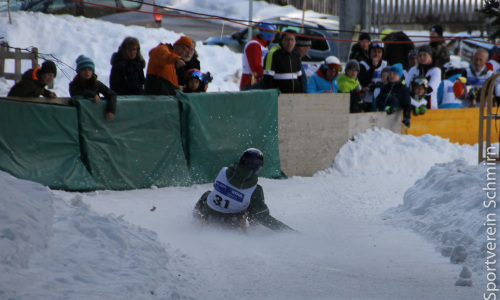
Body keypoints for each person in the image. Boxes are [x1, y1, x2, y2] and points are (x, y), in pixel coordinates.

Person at [193, 148, 294, 232]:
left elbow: (217, 186)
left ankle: (194, 221)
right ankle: (253, 232)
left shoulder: (223, 171)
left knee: (207, 194)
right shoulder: (255, 190)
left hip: (209, 214)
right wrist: (288, 231)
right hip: (232, 221)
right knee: (253, 207)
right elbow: (263, 217)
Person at [69, 55, 117, 121]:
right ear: (79, 71)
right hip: (80, 118)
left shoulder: (97, 84)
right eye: (84, 69)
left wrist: (111, 110)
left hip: (96, 118)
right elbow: (75, 94)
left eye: (89, 69)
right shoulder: (74, 85)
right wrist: (92, 94)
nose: (87, 72)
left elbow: (112, 94)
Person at [240, 23, 277, 91]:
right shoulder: (254, 45)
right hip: (250, 84)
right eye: (274, 36)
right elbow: (256, 67)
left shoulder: (263, 45)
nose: (274, 39)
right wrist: (270, 75)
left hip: (258, 83)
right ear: (268, 35)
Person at [405, 45, 442, 109]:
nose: (422, 57)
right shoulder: (413, 70)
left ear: (430, 56)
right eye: (420, 55)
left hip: (430, 106)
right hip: (413, 105)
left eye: (425, 55)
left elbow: (431, 88)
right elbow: (407, 85)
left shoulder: (436, 70)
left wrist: (416, 89)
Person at [375, 63, 412, 128]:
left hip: (395, 121)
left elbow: (407, 105)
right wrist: (385, 107)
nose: (391, 76)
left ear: (399, 76)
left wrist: (407, 118)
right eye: (390, 73)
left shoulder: (403, 89)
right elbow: (378, 101)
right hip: (381, 117)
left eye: (394, 74)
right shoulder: (385, 87)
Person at [359, 41, 388, 112]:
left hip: (381, 99)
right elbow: (364, 82)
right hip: (367, 100)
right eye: (374, 51)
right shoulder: (363, 64)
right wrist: (373, 67)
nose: (376, 54)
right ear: (370, 52)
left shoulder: (385, 64)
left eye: (379, 52)